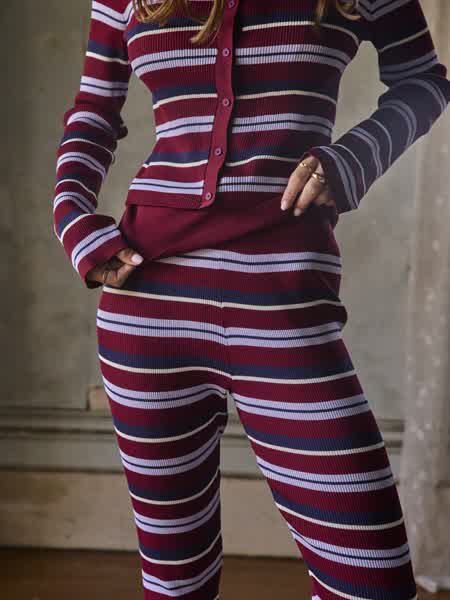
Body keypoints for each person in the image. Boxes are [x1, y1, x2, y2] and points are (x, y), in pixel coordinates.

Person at [52, 0, 450, 598]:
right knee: (175, 580)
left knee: (372, 581)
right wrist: (73, 220)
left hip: (284, 305)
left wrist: (352, 159)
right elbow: (93, 112)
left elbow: (424, 81)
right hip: (147, 310)